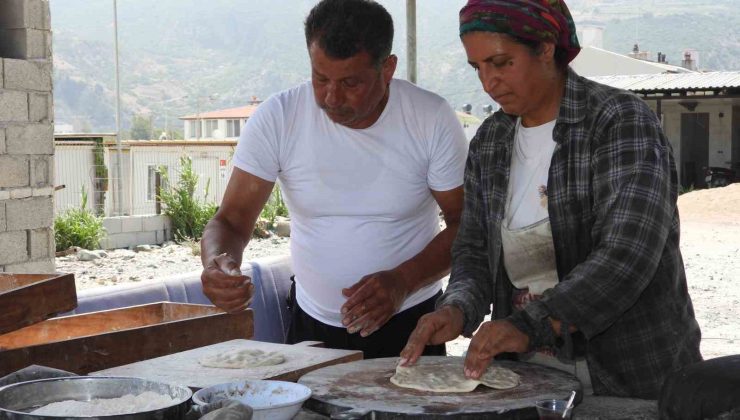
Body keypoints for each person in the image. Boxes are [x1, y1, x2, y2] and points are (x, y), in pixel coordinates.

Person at [400, 0, 702, 399]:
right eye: (478, 68)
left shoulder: (619, 122)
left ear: (545, 47)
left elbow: (626, 257)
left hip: (628, 372)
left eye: (502, 62)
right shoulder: (491, 142)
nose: (489, 83)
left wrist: (528, 325)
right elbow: (473, 249)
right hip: (526, 380)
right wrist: (457, 307)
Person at [200, 0, 468, 359]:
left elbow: (466, 225)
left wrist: (403, 281)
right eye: (320, 78)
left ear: (387, 69)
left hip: (410, 321)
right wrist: (218, 263)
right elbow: (230, 221)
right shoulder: (279, 118)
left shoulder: (430, 118)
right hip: (311, 325)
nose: (330, 97)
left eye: (350, 83)